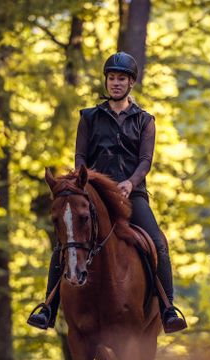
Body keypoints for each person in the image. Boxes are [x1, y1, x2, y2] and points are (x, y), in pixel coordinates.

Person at [27, 51, 187, 334]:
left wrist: (131, 183)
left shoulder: (144, 121)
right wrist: (80, 182)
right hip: (94, 195)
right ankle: (48, 309)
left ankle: (167, 308)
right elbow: (80, 156)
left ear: (131, 84)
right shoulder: (89, 117)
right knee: (63, 245)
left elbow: (145, 161)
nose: (115, 83)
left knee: (158, 242)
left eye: (121, 79)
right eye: (112, 78)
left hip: (130, 194)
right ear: (106, 81)